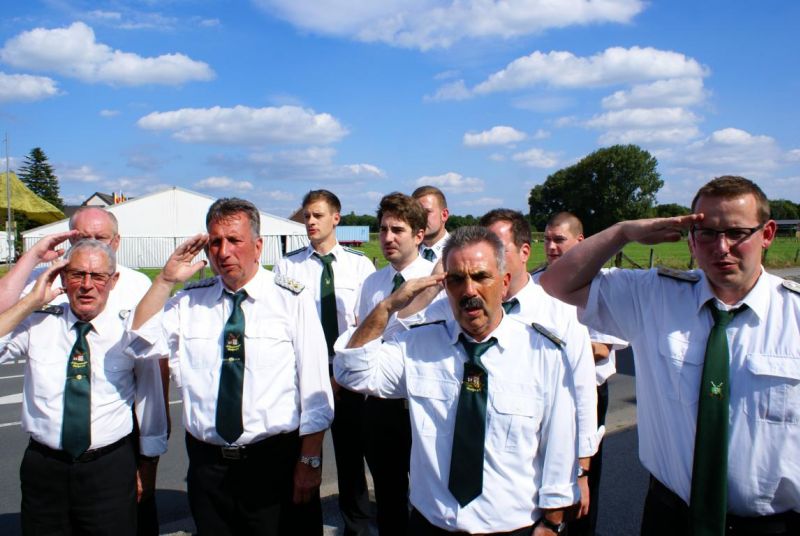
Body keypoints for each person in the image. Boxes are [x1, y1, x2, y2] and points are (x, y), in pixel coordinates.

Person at [540, 176, 800, 535]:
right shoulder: (655, 296)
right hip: (670, 518)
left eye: (737, 233)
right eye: (706, 233)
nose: (721, 247)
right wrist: (622, 232)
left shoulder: (794, 315)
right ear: (691, 239)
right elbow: (556, 283)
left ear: (767, 234)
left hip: (773, 526)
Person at [335, 225, 579, 535]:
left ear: (504, 283)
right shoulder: (418, 345)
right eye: (456, 280)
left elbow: (560, 444)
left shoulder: (543, 352)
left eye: (481, 277)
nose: (469, 291)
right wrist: (388, 306)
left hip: (513, 527)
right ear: (445, 285)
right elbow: (352, 371)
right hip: (431, 525)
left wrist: (552, 522)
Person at [125, 197, 334, 535]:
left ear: (258, 246)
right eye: (215, 242)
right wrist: (165, 280)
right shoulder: (189, 302)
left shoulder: (291, 300)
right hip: (209, 468)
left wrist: (309, 461)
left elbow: (316, 390)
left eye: (234, 240)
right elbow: (138, 341)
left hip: (274, 462)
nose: (223, 252)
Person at [399, 209, 599, 520]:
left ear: (524, 252)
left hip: (524, 488)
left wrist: (581, 469)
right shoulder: (456, 304)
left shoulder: (558, 311)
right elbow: (405, 332)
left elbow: (581, 394)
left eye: (498, 247)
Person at [0, 207, 169, 535]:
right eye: (77, 275)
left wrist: (149, 460)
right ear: (63, 277)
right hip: (45, 467)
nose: (87, 285)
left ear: (113, 280)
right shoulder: (40, 317)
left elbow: (151, 385)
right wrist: (30, 301)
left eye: (98, 277)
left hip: (108, 466)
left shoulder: (130, 321)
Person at [274, 189, 375, 536]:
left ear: (336, 218)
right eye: (306, 216)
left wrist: (342, 373)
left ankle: (357, 527)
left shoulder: (359, 265)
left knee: (351, 460)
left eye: (318, 215)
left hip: (346, 376)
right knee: (304, 457)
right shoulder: (288, 266)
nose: (310, 222)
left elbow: (365, 325)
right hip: (304, 376)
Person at [539, 211, 628, 536]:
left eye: (559, 240)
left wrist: (546, 348)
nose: (551, 246)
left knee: (582, 481)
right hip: (544, 392)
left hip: (586, 394)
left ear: (580, 242)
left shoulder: (602, 286)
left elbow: (601, 348)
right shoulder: (536, 283)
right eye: (547, 239)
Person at [356, 192, 434, 535]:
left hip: (423, 404)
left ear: (419, 235)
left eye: (398, 230)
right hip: (380, 407)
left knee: (428, 497)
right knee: (388, 496)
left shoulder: (437, 280)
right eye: (384, 229)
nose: (388, 237)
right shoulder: (372, 284)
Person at [413, 185, 450, 263]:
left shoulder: (459, 252)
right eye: (415, 213)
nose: (420, 217)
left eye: (427, 212)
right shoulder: (405, 255)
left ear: (444, 215)